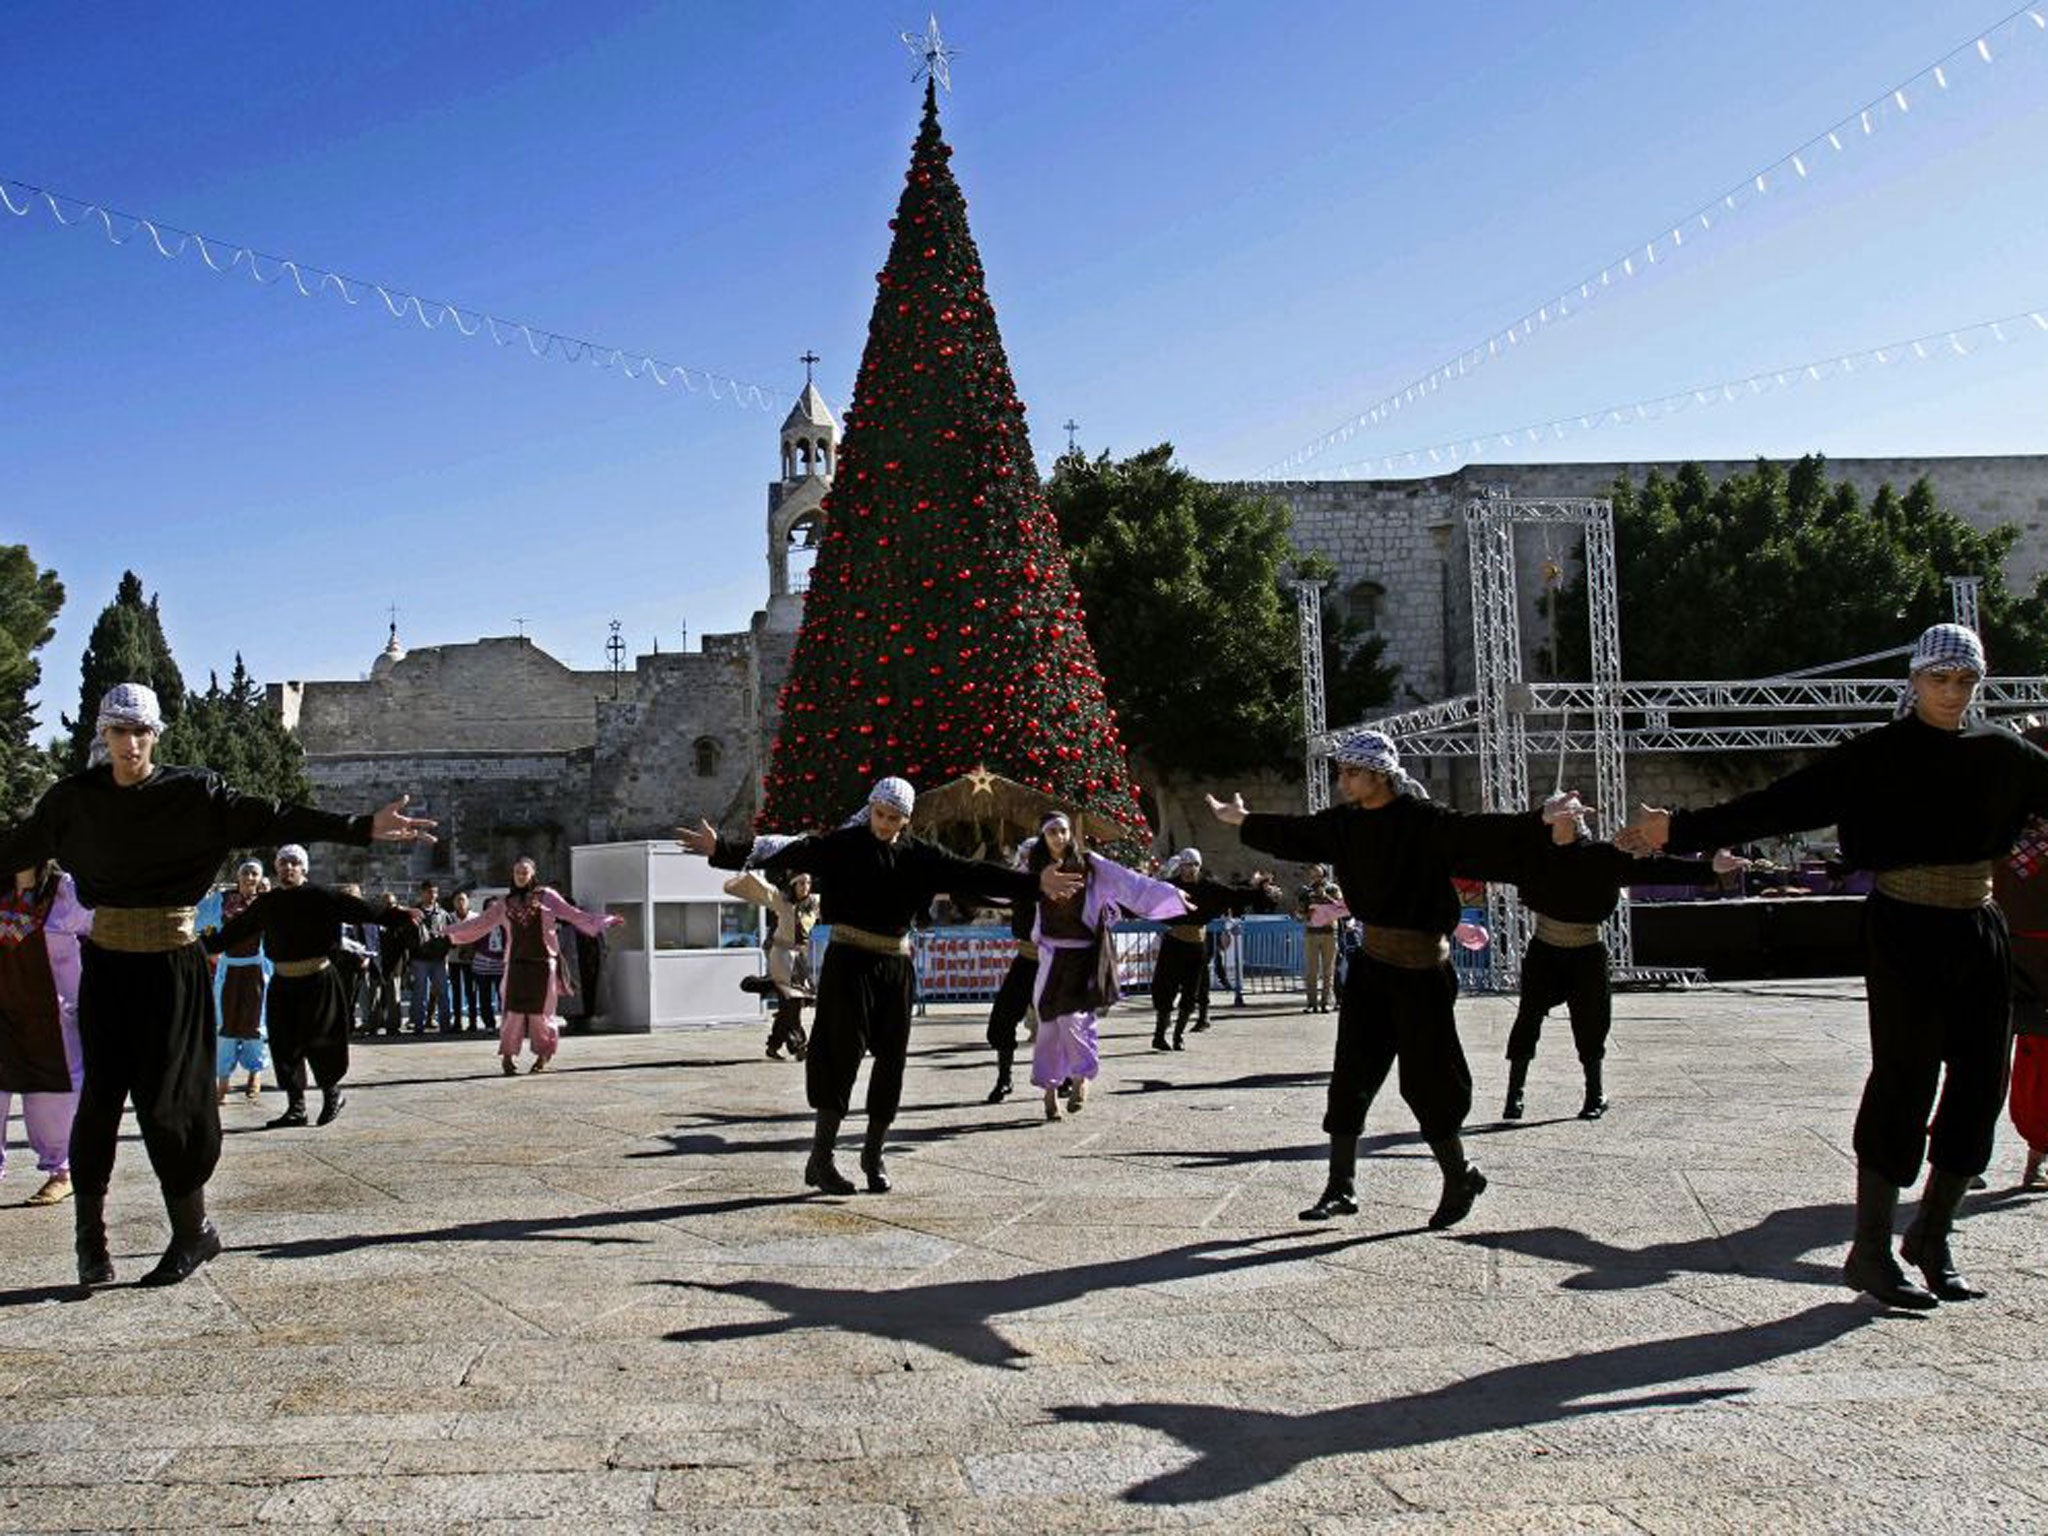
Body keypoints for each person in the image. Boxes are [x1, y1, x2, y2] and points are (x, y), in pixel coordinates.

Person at [1619, 623, 2048, 1308]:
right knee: (1904, 1080)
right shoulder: (1876, 756)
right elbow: (1777, 805)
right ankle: (1871, 1250)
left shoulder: (2007, 755)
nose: (1953, 692)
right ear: (1914, 680)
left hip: (1978, 927)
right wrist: (1680, 827)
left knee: (1979, 1084)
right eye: (1940, 678)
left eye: (1966, 681)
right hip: (1906, 925)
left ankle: (1932, 1235)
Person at [0, 683, 434, 1287]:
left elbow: (275, 814)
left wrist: (361, 827)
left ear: (156, 735)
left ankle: (193, 1232)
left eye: (140, 731)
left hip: (171, 968)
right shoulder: (72, 801)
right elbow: (14, 849)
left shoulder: (194, 794)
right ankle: (89, 1238)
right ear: (103, 733)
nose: (129, 743)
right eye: (119, 731)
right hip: (107, 965)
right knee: (97, 1104)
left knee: (168, 1103)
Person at [679, 776, 1083, 1196]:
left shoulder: (919, 856)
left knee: (892, 1058)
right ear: (870, 809)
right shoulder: (844, 844)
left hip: (895, 965)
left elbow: (972, 872)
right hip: (848, 962)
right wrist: (723, 849)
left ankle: (874, 1153)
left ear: (906, 820)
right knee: (841, 1054)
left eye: (894, 818)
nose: (885, 824)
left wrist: (1035, 884)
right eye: (880, 815)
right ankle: (822, 1157)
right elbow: (790, 847)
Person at [1207, 729, 1529, 1231]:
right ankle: (1341, 1187)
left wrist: (1543, 824)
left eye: (1352, 773)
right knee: (1351, 1074)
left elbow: (1481, 834)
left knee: (1428, 1081)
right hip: (1372, 967)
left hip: (1422, 971)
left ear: (1379, 775)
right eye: (1342, 772)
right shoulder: (1345, 825)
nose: (1344, 781)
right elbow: (1298, 834)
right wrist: (1244, 821)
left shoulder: (1424, 821)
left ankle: (1459, 1174)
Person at [1502, 792, 1742, 1122]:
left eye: (1565, 814)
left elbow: (1655, 870)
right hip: (1545, 947)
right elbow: (1487, 852)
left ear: (1575, 819)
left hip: (1586, 950)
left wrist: (1709, 869)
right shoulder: (1534, 857)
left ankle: (1594, 1094)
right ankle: (1514, 1095)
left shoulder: (1602, 856)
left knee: (1591, 1022)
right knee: (1528, 1018)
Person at [204, 846, 418, 1129]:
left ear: (303, 868)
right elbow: (235, 931)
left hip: (318, 980)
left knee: (321, 1041)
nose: (287, 868)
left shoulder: (322, 896)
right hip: (283, 982)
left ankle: (332, 1094)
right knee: (284, 1045)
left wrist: (400, 915)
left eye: (294, 863)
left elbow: (363, 910)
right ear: (277, 868)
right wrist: (200, 946)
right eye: (282, 863)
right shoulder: (268, 903)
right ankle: (296, 1107)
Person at [1023, 813, 1189, 1121]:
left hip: (1084, 956)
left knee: (1074, 1021)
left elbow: (1130, 882)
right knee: (1048, 1023)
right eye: (1052, 832)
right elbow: (1002, 886)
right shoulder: (1035, 870)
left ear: (1070, 833)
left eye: (1063, 831)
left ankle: (1081, 1079)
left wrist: (1170, 894)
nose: (1059, 837)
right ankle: (1049, 1091)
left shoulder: (1090, 865)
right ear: (1043, 837)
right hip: (1051, 955)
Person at [444, 857, 620, 1076]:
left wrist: (604, 920)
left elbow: (573, 915)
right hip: (516, 965)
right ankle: (508, 1056)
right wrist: (449, 932)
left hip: (543, 964)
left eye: (524, 872)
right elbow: (480, 923)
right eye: (517, 871)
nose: (520, 875)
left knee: (541, 1015)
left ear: (532, 874)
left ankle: (543, 1054)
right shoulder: (505, 903)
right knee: (512, 1014)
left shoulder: (547, 897)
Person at [0, 861, 92, 1206]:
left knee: (50, 1094)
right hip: (2, 1007)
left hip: (50, 1013)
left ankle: (62, 1171)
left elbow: (97, 925)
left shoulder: (63, 889)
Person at [1993, 721, 2048, 1190]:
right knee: (1983, 1056)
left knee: (2036, 1059)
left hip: (2032, 949)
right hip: (2001, 945)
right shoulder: (1995, 823)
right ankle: (1960, 1159)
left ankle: (2038, 1155)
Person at [1150, 849, 1272, 1051]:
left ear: (1199, 866)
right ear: (1180, 866)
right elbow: (1147, 898)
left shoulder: (1209, 888)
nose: (1189, 870)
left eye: (1193, 865)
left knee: (1191, 992)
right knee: (1165, 990)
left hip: (1197, 946)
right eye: (1185, 865)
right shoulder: (1171, 887)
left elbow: (1234, 894)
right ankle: (1159, 1036)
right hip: (1173, 944)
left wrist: (1260, 890)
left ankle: (1178, 1036)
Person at [723, 863, 818, 1061]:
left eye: (808, 882)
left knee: (789, 1005)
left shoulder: (814, 903)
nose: (805, 886)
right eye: (800, 883)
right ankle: (799, 1045)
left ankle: (774, 1045)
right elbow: (763, 888)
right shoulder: (782, 901)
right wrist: (744, 873)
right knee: (793, 1001)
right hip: (781, 955)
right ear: (793, 885)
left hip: (799, 959)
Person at [198, 860, 269, 1104]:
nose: (250, 877)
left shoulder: (266, 903)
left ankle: (254, 1074)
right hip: (230, 971)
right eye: (246, 873)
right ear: (239, 877)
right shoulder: (223, 900)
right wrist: (207, 948)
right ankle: (223, 1082)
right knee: (225, 1025)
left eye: (255, 873)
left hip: (257, 970)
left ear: (260, 878)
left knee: (255, 1024)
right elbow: (196, 918)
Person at [981, 841, 1041, 1104]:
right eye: (1024, 857)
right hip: (1027, 959)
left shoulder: (1060, 882)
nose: (1026, 861)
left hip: (1056, 964)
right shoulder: (1017, 884)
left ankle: (1063, 1078)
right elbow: (993, 893)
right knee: (1003, 1018)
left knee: (1061, 1022)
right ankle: (1004, 1078)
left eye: (1032, 857)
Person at [1296, 865, 1345, 1013]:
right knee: (1311, 971)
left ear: (1324, 876)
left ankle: (1326, 1003)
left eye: (1318, 876)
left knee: (1328, 971)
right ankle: (1311, 1004)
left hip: (1329, 933)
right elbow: (1299, 915)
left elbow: (1341, 908)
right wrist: (1304, 912)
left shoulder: (1333, 889)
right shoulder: (1305, 892)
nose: (1315, 880)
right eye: (1312, 876)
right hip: (1311, 933)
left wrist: (1325, 897)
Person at [409, 879, 453, 1034]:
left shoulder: (443, 914)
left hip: (438, 959)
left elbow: (449, 937)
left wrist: (446, 956)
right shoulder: (413, 913)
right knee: (419, 994)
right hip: (420, 959)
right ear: (422, 893)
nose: (433, 895)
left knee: (443, 993)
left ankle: (446, 1025)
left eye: (435, 892)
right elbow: (407, 936)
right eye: (429, 892)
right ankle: (418, 1026)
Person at [469, 897, 504, 1037]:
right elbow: (473, 941)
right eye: (489, 907)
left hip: (500, 966)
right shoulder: (480, 924)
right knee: (484, 997)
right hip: (482, 965)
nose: (492, 910)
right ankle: (489, 1024)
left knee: (503, 997)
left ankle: (505, 1023)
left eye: (495, 907)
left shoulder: (505, 924)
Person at [446, 891, 480, 1033]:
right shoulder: (449, 917)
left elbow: (479, 936)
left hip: (470, 959)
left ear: (468, 902)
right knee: (456, 991)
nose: (460, 903)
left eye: (463, 900)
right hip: (454, 958)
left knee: (471, 991)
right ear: (454, 903)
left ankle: (473, 1022)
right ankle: (457, 1022)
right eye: (458, 900)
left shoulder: (475, 917)